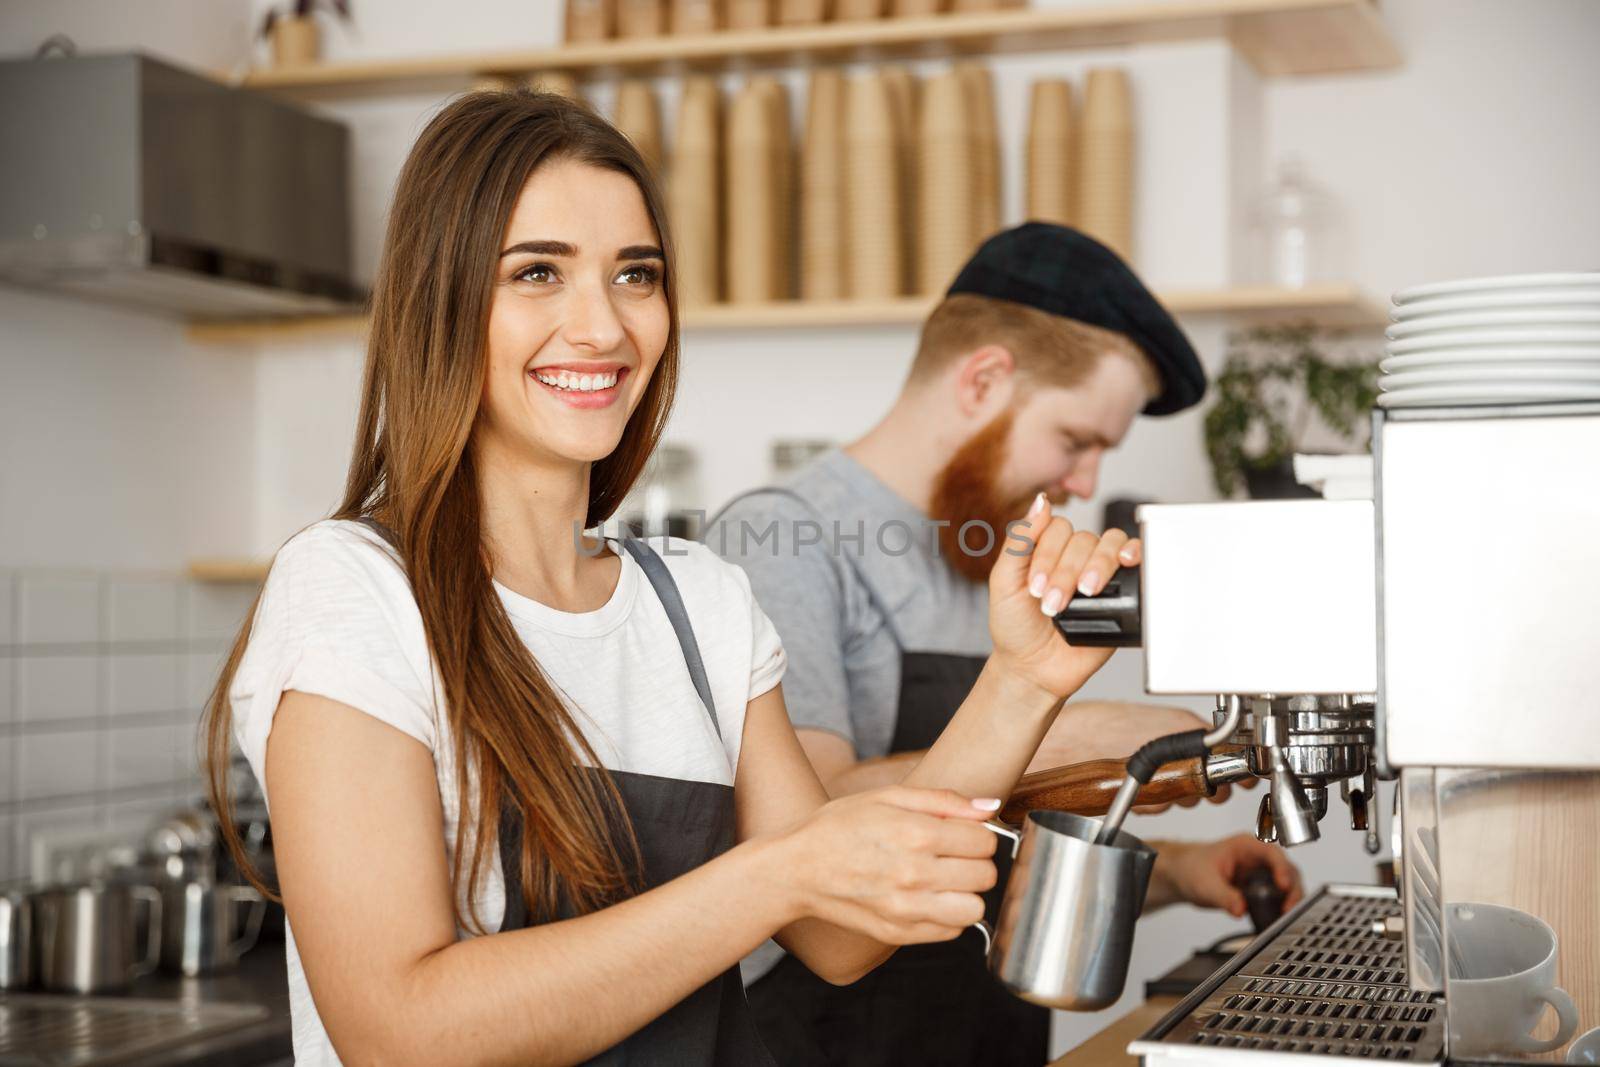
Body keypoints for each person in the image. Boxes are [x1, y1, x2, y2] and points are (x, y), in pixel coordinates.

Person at [197, 93, 1167, 1066]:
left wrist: (1022, 680)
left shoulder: (697, 601)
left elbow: (840, 933)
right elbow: (400, 1031)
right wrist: (771, 874)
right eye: (538, 271)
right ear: (439, 299)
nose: (603, 325)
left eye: (637, 274)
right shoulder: (353, 590)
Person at [711, 223, 1304, 1066]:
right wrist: (1067, 732)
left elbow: (994, 843)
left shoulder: (986, 548)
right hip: (830, 1036)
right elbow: (809, 828)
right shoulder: (783, 539)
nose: (1086, 482)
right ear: (984, 377)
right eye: (1078, 440)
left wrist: (1177, 870)